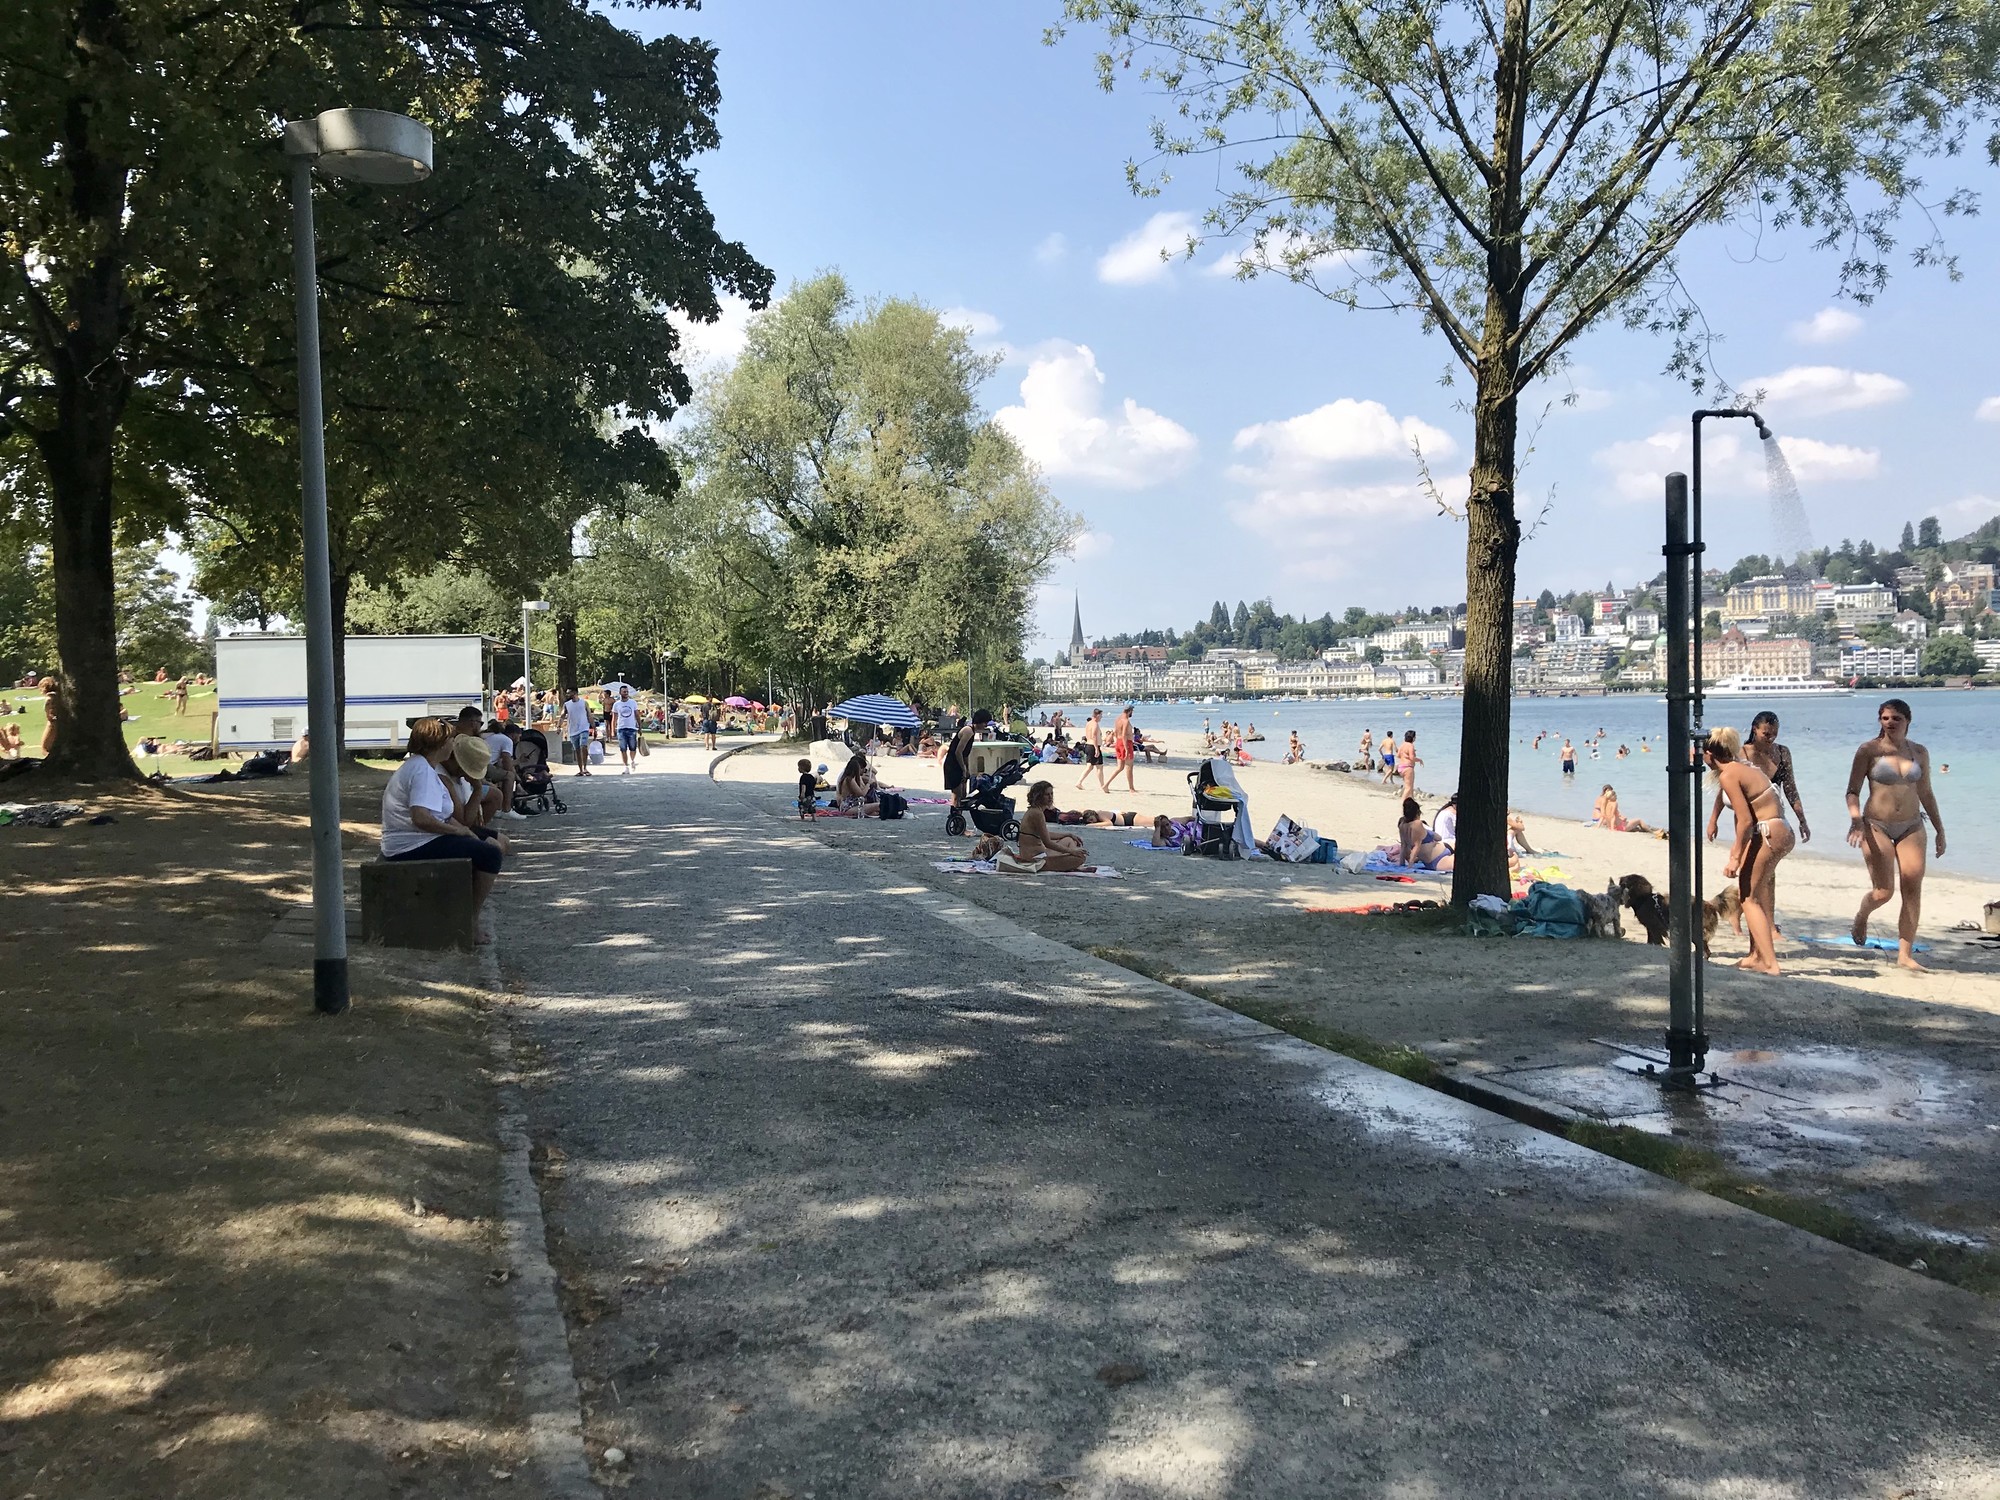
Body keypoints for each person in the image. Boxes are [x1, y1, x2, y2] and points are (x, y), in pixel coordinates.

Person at [1844, 697, 1945, 971]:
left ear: (1907, 721)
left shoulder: (1919, 752)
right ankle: (1862, 916)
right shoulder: (1868, 751)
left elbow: (1925, 792)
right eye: (1885, 718)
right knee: (1883, 891)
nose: (1890, 723)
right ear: (1880, 721)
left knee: (1912, 887)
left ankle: (1905, 955)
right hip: (1876, 825)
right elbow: (1852, 790)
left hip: (1912, 825)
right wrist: (1855, 820)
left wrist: (1939, 829)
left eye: (1896, 718)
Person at [380, 717, 504, 920]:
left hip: (417, 839)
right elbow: (421, 818)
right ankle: (470, 921)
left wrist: (468, 833)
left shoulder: (422, 767)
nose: (452, 745)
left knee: (485, 845)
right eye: (449, 741)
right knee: (490, 855)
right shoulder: (422, 772)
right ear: (438, 744)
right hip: (409, 845)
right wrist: (459, 831)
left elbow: (443, 815)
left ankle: (465, 912)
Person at [1708, 725, 1794, 975]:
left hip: (1767, 832)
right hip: (1781, 831)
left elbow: (1745, 820)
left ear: (1710, 754)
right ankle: (1756, 955)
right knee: (1757, 894)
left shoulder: (1729, 774)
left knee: (1748, 898)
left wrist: (1734, 856)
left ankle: (1769, 963)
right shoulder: (1742, 767)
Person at [1708, 711, 1810, 846]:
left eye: (1775, 734)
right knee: (1744, 860)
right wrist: (1713, 820)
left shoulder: (1782, 753)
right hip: (1746, 818)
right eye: (1766, 734)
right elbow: (1725, 788)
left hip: (1772, 818)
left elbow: (1791, 790)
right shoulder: (1741, 754)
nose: (1771, 738)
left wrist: (1802, 821)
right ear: (1754, 729)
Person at [1014, 780, 1094, 873]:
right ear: (1039, 797)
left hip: (1038, 854)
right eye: (1047, 795)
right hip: (1035, 860)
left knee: (1068, 839)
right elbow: (1047, 842)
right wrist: (1071, 851)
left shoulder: (1035, 811)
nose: (1050, 797)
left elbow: (1045, 834)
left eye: (1051, 794)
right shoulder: (1037, 813)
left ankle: (1074, 864)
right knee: (1080, 857)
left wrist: (1068, 834)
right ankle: (1076, 865)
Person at [942, 709, 987, 818]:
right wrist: (963, 769)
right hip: (953, 764)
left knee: (963, 795)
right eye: (984, 722)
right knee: (957, 795)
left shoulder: (972, 733)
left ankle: (958, 819)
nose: (985, 725)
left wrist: (968, 769)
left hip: (959, 763)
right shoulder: (968, 731)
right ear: (979, 721)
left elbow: (966, 754)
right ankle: (956, 820)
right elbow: (958, 752)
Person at [1388, 797, 1452, 871]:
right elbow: (1416, 846)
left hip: (1440, 852)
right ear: (1417, 813)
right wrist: (1410, 866)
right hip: (1438, 859)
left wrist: (1401, 864)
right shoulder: (1417, 824)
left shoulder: (1402, 824)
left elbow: (1403, 845)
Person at [480, 719, 525, 818]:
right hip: (484, 766)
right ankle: (506, 809)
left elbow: (500, 763)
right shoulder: (507, 740)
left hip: (481, 764)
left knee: (505, 775)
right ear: (513, 734)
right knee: (509, 776)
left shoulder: (493, 737)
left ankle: (499, 807)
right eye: (519, 736)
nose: (519, 739)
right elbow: (507, 764)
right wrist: (517, 780)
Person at [611, 685, 641, 773]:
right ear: (620, 693)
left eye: (627, 692)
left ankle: (632, 760)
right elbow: (614, 718)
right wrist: (613, 730)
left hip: (632, 727)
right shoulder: (617, 704)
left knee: (633, 748)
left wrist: (639, 726)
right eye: (624, 692)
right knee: (623, 748)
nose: (626, 693)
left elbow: (637, 715)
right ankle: (625, 766)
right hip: (621, 728)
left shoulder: (633, 702)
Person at [562, 688, 592, 776]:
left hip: (584, 728)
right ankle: (580, 769)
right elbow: (562, 716)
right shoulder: (567, 704)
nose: (567, 695)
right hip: (573, 730)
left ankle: (585, 767)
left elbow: (589, 715)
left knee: (583, 746)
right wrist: (559, 726)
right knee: (577, 750)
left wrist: (593, 727)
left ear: (575, 693)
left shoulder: (584, 703)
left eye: (569, 693)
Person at [1074, 708, 1107, 791]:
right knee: (1099, 766)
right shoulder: (1095, 724)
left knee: (1089, 766)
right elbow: (1094, 736)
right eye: (1101, 716)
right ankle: (1103, 785)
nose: (1101, 717)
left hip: (1088, 745)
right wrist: (1096, 748)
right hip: (1093, 746)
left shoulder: (1089, 723)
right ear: (1098, 715)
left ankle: (1079, 782)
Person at [1110, 705, 1137, 792]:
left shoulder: (1117, 719)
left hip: (1118, 741)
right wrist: (1126, 749)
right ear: (1130, 711)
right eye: (1132, 711)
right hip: (1125, 743)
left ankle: (1106, 784)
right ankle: (1131, 788)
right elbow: (1124, 735)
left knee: (1120, 767)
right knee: (1129, 767)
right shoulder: (1125, 721)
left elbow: (1115, 732)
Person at [1396, 730, 1421, 799]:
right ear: (1413, 738)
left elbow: (1398, 755)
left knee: (1410, 785)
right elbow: (1412, 758)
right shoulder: (1410, 745)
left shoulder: (1402, 745)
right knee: (1408, 788)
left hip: (1401, 767)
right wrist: (1419, 760)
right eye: (1415, 737)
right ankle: (1402, 803)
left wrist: (1405, 755)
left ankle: (1412, 801)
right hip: (1408, 767)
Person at [38, 676, 58, 755]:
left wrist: (48, 716)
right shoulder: (59, 696)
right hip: (60, 720)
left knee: (44, 748)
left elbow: (47, 708)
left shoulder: (49, 698)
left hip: (52, 722)